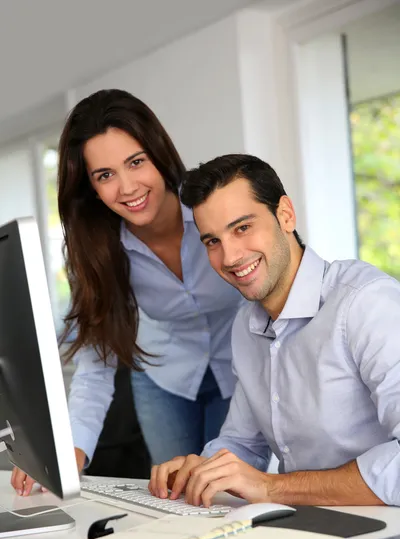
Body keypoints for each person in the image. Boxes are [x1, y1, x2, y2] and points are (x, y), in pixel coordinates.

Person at [10, 90, 243, 496]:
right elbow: (96, 365)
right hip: (164, 379)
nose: (127, 187)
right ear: (91, 188)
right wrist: (70, 452)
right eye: (105, 175)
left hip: (242, 370)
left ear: (158, 153)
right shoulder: (96, 251)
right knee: (177, 497)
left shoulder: (213, 207)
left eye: (136, 162)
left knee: (225, 494)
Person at [149, 153, 400, 507]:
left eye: (242, 228)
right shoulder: (245, 326)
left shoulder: (366, 303)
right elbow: (243, 443)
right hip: (300, 529)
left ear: (285, 214)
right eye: (212, 241)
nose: (231, 257)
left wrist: (273, 488)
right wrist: (202, 469)